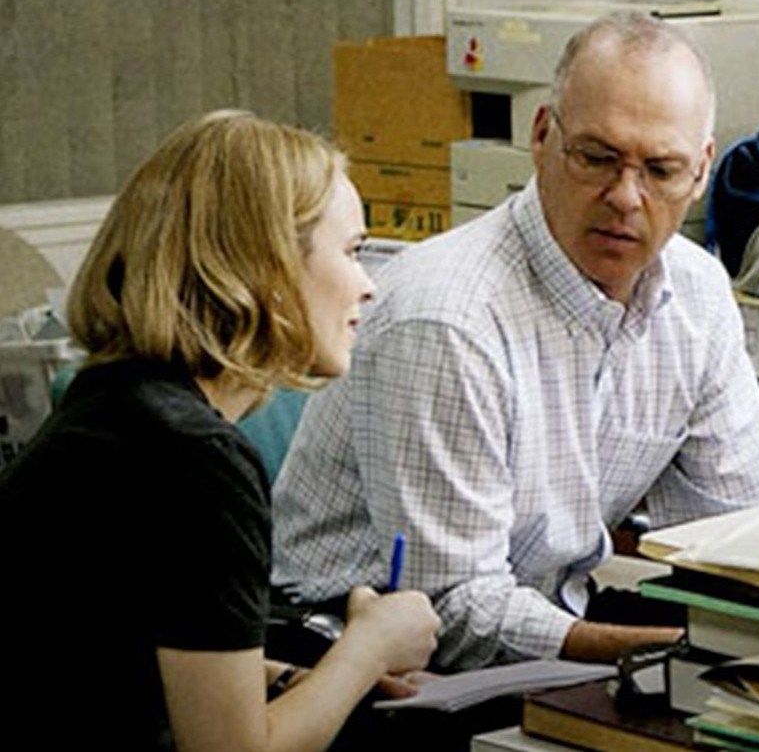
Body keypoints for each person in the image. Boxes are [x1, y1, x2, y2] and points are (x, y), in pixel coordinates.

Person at [274, 13, 759, 669]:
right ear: (542, 135)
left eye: (661, 170)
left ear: (701, 171)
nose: (626, 197)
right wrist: (663, 654)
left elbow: (743, 529)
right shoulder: (448, 320)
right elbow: (453, 608)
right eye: (597, 158)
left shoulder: (697, 294)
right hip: (353, 654)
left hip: (541, 616)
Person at [0, 111, 440, 751]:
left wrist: (293, 679)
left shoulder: (114, 405)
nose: (368, 287)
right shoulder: (198, 460)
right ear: (269, 270)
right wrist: (369, 647)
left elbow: (108, 648)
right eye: (351, 252)